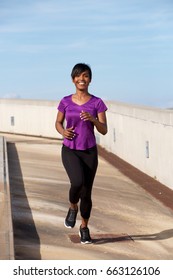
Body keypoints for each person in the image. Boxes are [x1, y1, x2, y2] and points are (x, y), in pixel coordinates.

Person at [55, 63, 108, 244]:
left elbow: (104, 130)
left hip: (89, 152)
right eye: (78, 76)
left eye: (85, 76)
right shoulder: (65, 101)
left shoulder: (97, 103)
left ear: (90, 79)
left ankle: (84, 227)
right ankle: (72, 207)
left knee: (87, 193)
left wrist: (93, 118)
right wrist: (63, 132)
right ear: (73, 79)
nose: (82, 79)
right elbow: (58, 123)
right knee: (77, 182)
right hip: (70, 149)